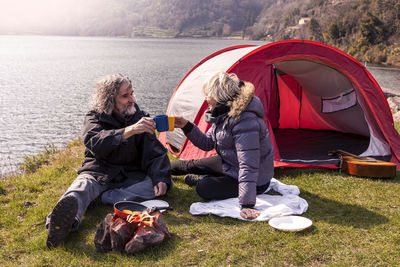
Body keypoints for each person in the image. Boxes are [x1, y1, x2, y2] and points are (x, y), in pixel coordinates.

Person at [46, 74, 172, 248]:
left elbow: (154, 152)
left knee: (152, 186)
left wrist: (161, 178)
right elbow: (95, 142)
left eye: (132, 93)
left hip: (129, 176)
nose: (132, 99)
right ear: (109, 99)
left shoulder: (138, 116)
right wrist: (129, 131)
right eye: (125, 95)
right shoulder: (94, 117)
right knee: (81, 188)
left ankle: (101, 198)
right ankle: (61, 223)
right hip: (99, 172)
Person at [172, 71, 274, 220]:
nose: (205, 98)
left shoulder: (245, 121)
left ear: (218, 95)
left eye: (207, 94)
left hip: (256, 180)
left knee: (204, 188)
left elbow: (248, 165)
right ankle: (154, 170)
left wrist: (247, 204)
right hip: (231, 164)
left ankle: (204, 179)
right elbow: (207, 143)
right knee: (189, 165)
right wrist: (186, 126)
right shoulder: (224, 113)